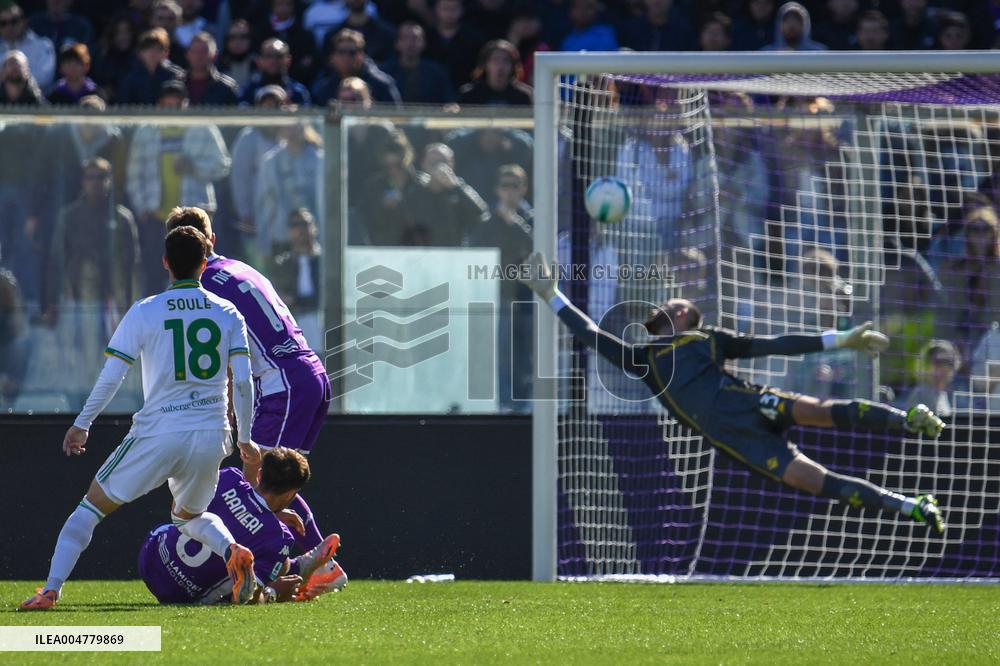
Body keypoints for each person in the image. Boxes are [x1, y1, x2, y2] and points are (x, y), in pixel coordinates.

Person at [520, 250, 948, 535]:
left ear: (685, 315)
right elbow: (592, 334)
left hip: (753, 403)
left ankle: (907, 419)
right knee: (818, 481)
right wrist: (551, 295)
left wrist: (840, 340)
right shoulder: (644, 360)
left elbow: (775, 344)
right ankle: (911, 506)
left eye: (673, 304)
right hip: (739, 439)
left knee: (821, 410)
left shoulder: (707, 339)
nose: (664, 307)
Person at [19, 227, 261, 610]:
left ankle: (50, 590)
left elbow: (112, 376)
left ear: (165, 263)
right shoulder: (228, 312)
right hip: (212, 433)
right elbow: (243, 382)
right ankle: (232, 549)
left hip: (160, 430)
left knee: (90, 509)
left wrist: (83, 423)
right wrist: (245, 438)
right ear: (204, 264)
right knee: (188, 517)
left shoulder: (146, 310)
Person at [164, 207, 333, 554]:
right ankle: (320, 562)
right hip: (310, 373)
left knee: (254, 486)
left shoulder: (202, 287)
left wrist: (225, 411)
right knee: (277, 482)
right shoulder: (241, 268)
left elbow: (226, 356)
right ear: (212, 239)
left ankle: (275, 567)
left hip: (281, 383)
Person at [139, 448, 343, 604]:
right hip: (177, 595)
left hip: (149, 558)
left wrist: (265, 515)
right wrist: (274, 592)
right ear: (291, 494)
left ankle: (303, 565)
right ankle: (301, 566)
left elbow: (233, 513)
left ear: (260, 474)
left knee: (191, 516)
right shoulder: (279, 537)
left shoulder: (229, 477)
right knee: (263, 564)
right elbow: (249, 599)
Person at [45, 157, 139, 405]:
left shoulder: (122, 218)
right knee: (82, 355)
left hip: (114, 301)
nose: (96, 183)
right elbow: (56, 261)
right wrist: (52, 302)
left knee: (115, 354)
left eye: (101, 177)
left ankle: (110, 402)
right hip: (79, 299)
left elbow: (132, 266)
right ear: (82, 181)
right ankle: (83, 403)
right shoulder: (70, 216)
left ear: (109, 181)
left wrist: (131, 304)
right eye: (91, 177)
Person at [126, 80, 231, 293]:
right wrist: (142, 207)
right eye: (167, 105)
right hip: (156, 217)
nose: (172, 110)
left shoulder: (203, 129)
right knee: (155, 274)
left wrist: (194, 167)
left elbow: (222, 165)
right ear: (159, 105)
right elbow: (134, 174)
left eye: (177, 105)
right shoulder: (146, 131)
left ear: (186, 104)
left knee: (201, 269)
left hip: (195, 217)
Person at [270, 209, 323, 352]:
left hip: (322, 324)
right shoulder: (282, 264)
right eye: (295, 225)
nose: (300, 229)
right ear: (289, 231)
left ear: (314, 227)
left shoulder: (326, 262)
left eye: (305, 224)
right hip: (295, 327)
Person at [311, 28, 400, 105]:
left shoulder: (382, 86)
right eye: (341, 52)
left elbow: (396, 116)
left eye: (352, 52)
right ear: (332, 57)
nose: (346, 57)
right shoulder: (325, 89)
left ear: (361, 55)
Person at [381, 21, 454, 104]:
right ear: (397, 43)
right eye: (405, 38)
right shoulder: (384, 74)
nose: (410, 43)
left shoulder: (437, 73)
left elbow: (448, 102)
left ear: (424, 43)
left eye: (415, 38)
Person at [117, 27, 184, 105]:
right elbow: (124, 106)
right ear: (140, 53)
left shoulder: (173, 77)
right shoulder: (129, 79)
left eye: (158, 48)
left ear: (165, 53)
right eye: (147, 48)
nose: (153, 52)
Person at [456, 39, 531, 106]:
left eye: (506, 60)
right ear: (485, 64)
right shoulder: (470, 94)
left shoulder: (523, 96)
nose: (500, 66)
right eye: (495, 60)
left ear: (513, 66)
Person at [0, 2, 56, 91]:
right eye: (3, 23)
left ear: (24, 21)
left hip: (36, 99)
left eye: (14, 21)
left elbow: (45, 78)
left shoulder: (43, 45)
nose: (9, 27)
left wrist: (13, 80)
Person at [899, 340, 959, 419]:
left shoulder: (942, 394)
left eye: (949, 362)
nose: (945, 367)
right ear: (926, 365)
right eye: (939, 362)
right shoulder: (922, 393)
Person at [241, 37, 311, 106]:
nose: (273, 61)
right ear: (259, 61)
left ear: (288, 60)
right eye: (268, 56)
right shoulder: (248, 92)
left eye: (279, 56)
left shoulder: (298, 92)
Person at [184, 31, 239, 105]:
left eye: (204, 51)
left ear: (214, 55)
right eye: (195, 51)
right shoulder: (176, 82)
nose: (199, 56)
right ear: (187, 54)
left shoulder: (226, 87)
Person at [761, 2, 826, 51]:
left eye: (797, 19)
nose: (792, 23)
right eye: (787, 19)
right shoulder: (766, 53)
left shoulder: (820, 53)